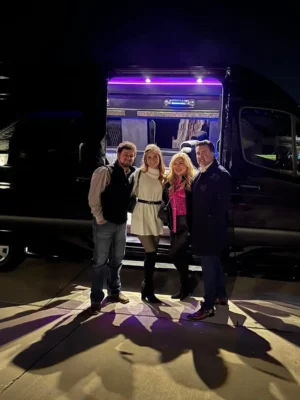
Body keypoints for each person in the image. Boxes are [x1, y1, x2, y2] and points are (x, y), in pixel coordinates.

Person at [88, 141, 137, 314]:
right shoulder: (105, 171)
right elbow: (94, 197)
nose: (129, 158)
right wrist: (99, 218)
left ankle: (114, 291)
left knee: (117, 259)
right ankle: (95, 299)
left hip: (121, 223)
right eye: (126, 155)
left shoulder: (132, 174)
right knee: (100, 262)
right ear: (118, 155)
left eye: (132, 156)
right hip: (105, 223)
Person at [187, 140, 231, 321]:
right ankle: (221, 296)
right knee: (215, 264)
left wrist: (207, 228)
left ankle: (207, 306)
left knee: (209, 268)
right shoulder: (201, 172)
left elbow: (221, 207)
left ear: (214, 153)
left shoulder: (220, 175)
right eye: (198, 153)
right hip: (203, 230)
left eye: (204, 152)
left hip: (210, 232)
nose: (200, 156)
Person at [131, 144, 166, 303]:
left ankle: (146, 286)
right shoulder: (138, 174)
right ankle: (148, 288)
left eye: (155, 157)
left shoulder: (164, 175)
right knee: (151, 252)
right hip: (142, 213)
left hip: (156, 214)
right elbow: (128, 192)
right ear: (145, 159)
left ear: (160, 158)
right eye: (149, 157)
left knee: (152, 254)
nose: (152, 160)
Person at [162, 152, 196, 300]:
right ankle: (186, 286)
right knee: (181, 256)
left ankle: (186, 285)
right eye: (175, 163)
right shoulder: (169, 182)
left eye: (181, 163)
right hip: (174, 223)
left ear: (187, 164)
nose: (177, 166)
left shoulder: (193, 182)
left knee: (175, 254)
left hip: (187, 225)